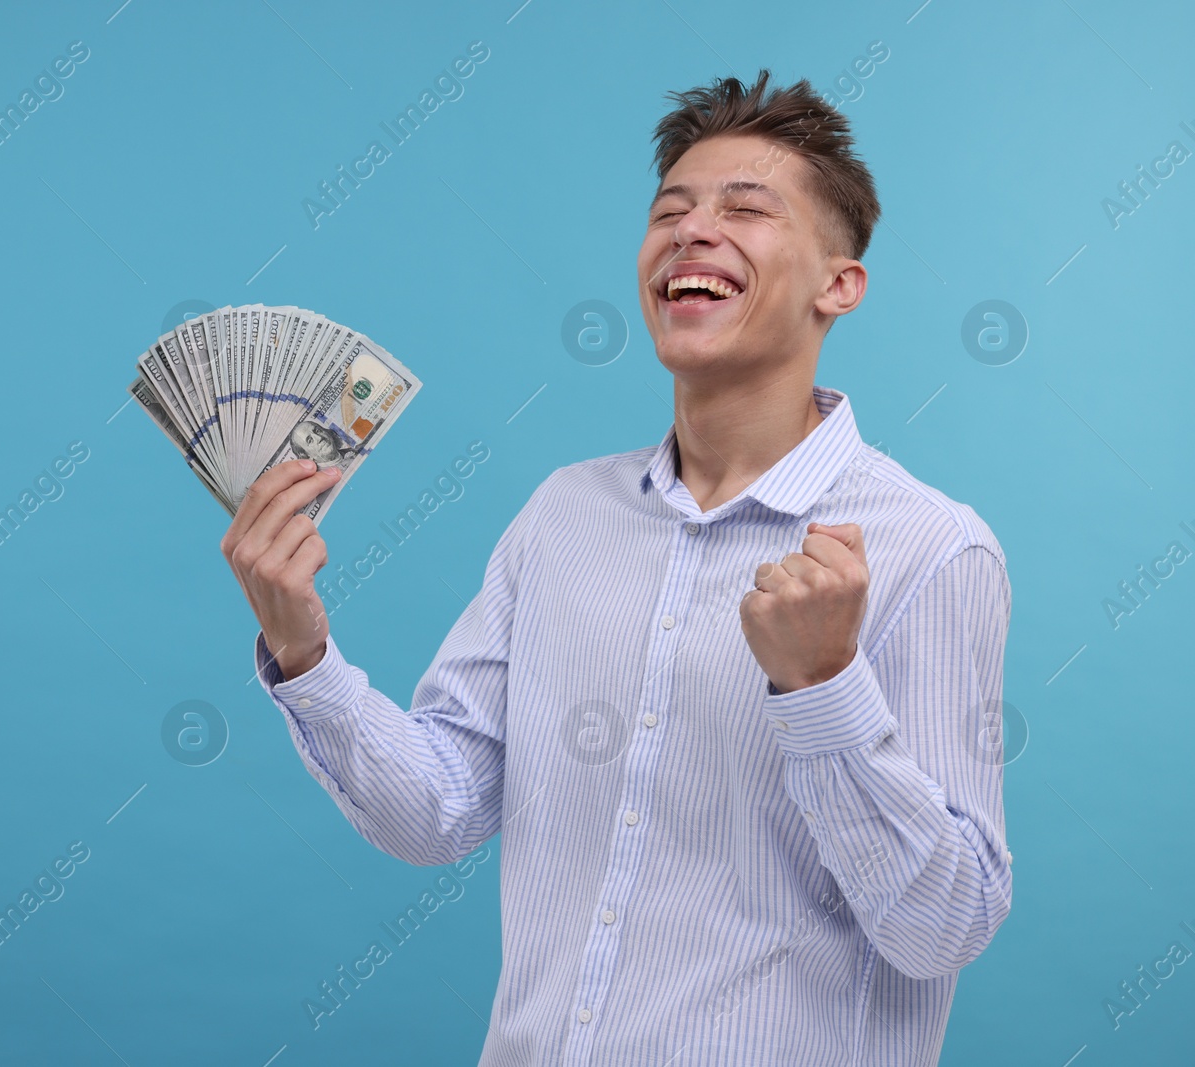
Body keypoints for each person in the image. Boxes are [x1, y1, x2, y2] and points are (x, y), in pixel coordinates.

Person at [220, 69, 1012, 1065]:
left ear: (837, 284)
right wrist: (303, 650)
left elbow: (943, 925)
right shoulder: (563, 515)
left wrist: (822, 688)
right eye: (668, 212)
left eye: (745, 209)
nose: (690, 232)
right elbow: (438, 808)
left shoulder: (931, 549)